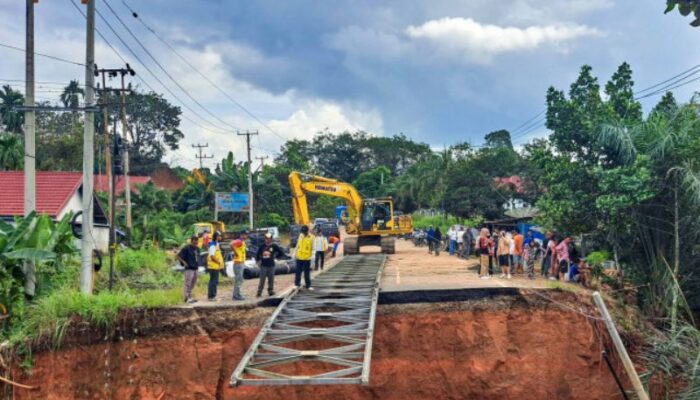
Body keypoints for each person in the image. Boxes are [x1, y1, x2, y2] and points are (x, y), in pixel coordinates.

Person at [256, 233, 284, 297]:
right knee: (262, 279)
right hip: (263, 265)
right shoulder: (262, 246)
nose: (267, 240)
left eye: (269, 239)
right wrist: (258, 261)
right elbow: (257, 254)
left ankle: (270, 290)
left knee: (271, 279)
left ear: (271, 239)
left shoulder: (274, 246)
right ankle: (259, 292)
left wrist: (276, 257)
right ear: (265, 239)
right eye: (266, 239)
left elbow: (281, 253)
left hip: (271, 265)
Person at [178, 235, 200, 303]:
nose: (196, 241)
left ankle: (190, 296)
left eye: (197, 240)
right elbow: (178, 256)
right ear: (192, 240)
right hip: (189, 268)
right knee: (188, 283)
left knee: (193, 283)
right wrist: (184, 262)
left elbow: (198, 257)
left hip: (195, 268)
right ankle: (186, 298)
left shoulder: (197, 249)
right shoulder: (186, 248)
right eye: (195, 240)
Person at [294, 225, 314, 290]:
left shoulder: (311, 237)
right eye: (303, 232)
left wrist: (312, 258)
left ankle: (308, 285)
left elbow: (313, 248)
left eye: (305, 232)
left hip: (307, 258)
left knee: (306, 272)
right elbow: (298, 245)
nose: (303, 233)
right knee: (298, 271)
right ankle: (297, 284)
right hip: (299, 257)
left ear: (307, 231)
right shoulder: (300, 235)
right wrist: (294, 253)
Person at [207, 232, 224, 301]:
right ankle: (211, 296)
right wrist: (218, 262)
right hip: (213, 266)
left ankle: (212, 295)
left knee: (214, 281)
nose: (221, 237)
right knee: (213, 281)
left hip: (216, 266)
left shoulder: (216, 244)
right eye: (219, 236)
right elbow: (212, 256)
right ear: (216, 237)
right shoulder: (213, 245)